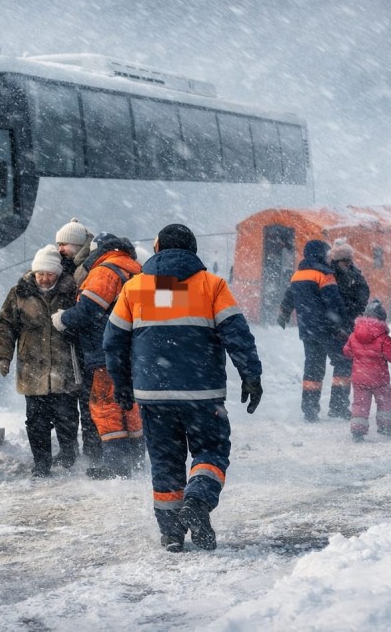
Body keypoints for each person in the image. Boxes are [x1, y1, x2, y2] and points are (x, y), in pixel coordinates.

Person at [104, 224, 263, 553]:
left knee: (164, 460)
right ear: (192, 250)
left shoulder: (136, 288)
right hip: (201, 393)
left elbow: (113, 340)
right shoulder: (211, 285)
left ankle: (171, 532)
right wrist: (251, 374)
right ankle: (198, 502)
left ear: (158, 247)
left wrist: (121, 382)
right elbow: (237, 334)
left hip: (153, 395)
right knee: (211, 451)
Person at [52, 233, 143, 479]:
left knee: (105, 405)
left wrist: (62, 318)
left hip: (107, 352)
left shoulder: (106, 271)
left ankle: (115, 464)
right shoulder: (137, 270)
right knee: (131, 405)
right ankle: (135, 459)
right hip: (136, 352)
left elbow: (89, 310)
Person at [0, 245, 81, 477]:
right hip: (32, 367)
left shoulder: (70, 292)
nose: (44, 278)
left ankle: (69, 455)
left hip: (64, 366)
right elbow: (5, 325)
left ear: (58, 273)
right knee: (36, 421)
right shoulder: (19, 293)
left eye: (49, 273)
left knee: (67, 417)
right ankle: (41, 463)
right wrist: (3, 356)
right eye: (40, 273)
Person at [277, 240, 349, 422]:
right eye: (326, 254)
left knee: (313, 369)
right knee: (343, 362)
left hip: (307, 330)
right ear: (320, 254)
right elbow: (335, 302)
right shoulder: (324, 274)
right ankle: (338, 406)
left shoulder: (297, 275)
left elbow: (288, 297)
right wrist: (344, 325)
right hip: (327, 329)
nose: (328, 257)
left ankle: (309, 410)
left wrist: (284, 314)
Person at [53, 217, 100, 464]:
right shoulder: (74, 263)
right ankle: (85, 450)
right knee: (77, 398)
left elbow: (88, 306)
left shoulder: (87, 265)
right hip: (79, 342)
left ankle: (92, 451)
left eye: (64, 244)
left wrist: (69, 319)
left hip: (85, 341)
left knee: (88, 399)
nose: (60, 249)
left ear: (76, 243)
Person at [343, 299, 391, 441]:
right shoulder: (383, 338)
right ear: (382, 319)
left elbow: (347, 352)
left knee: (360, 404)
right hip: (379, 379)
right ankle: (385, 427)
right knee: (385, 402)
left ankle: (357, 431)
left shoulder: (353, 335)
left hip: (359, 378)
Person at [327, 240, 370, 419]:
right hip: (337, 327)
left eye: (350, 260)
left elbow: (363, 292)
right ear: (338, 261)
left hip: (345, 325)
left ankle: (337, 404)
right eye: (346, 260)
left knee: (343, 365)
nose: (349, 263)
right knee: (342, 365)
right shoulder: (333, 277)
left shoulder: (350, 274)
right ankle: (337, 405)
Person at [55, 217, 94, 283]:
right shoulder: (57, 263)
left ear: (78, 244)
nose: (60, 249)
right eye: (59, 245)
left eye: (64, 244)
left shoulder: (92, 265)